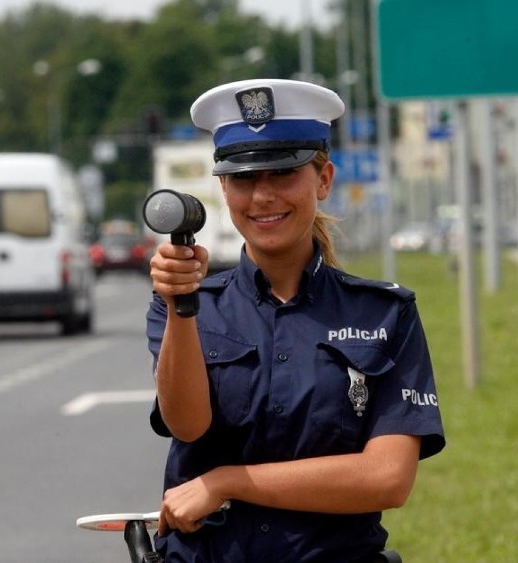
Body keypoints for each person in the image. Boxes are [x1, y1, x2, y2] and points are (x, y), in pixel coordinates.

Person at [145, 78, 445, 563]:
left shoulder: (386, 314)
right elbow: (188, 425)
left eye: (284, 173)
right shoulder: (188, 306)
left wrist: (228, 482)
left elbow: (387, 479)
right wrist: (181, 303)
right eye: (244, 178)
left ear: (323, 179)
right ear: (223, 186)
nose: (263, 196)